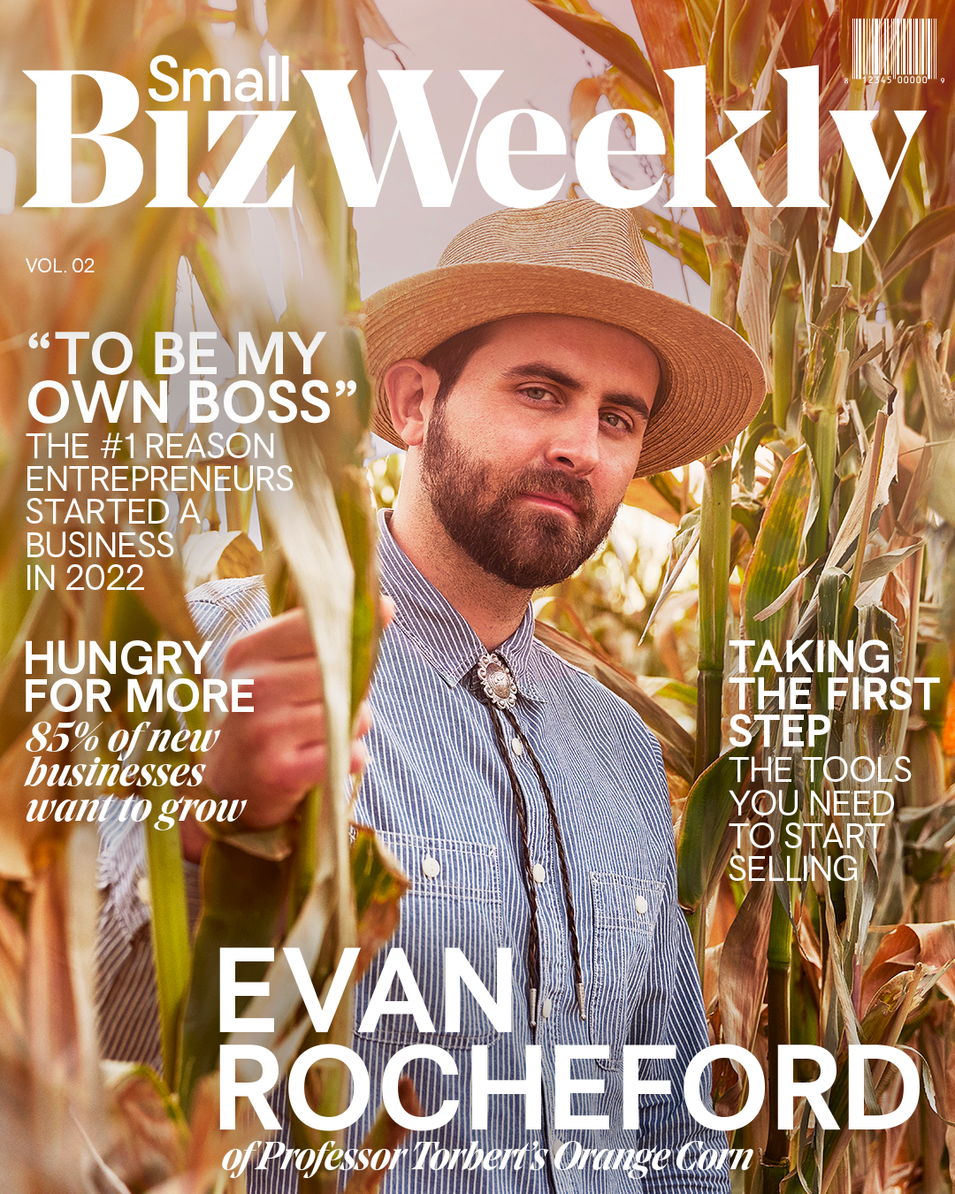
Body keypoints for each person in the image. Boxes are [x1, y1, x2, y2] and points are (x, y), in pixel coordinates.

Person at [97, 199, 765, 1192]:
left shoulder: (621, 749)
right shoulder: (215, 650)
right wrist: (214, 833)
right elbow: (99, 1051)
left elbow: (670, 1125)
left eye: (616, 417)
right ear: (411, 403)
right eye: (540, 391)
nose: (583, 445)